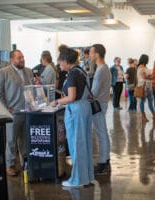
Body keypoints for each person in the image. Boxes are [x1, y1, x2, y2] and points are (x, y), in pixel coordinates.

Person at [50, 47, 94, 187]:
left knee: (76, 145)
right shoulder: (81, 71)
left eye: (60, 61)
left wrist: (56, 102)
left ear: (65, 60)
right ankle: (86, 177)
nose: (59, 64)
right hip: (84, 108)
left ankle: (77, 180)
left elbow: (71, 97)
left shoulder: (72, 74)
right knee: (84, 143)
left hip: (76, 110)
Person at [0, 50, 33, 176]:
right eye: (19, 58)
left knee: (26, 139)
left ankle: (26, 163)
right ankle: (9, 165)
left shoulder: (28, 71)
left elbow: (32, 89)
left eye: (22, 57)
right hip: (13, 113)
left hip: (28, 111)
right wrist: (5, 109)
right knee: (11, 140)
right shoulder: (3, 72)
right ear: (12, 59)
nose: (22, 59)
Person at [89, 44, 112, 175]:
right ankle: (105, 161)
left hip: (98, 105)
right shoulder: (103, 68)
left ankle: (103, 163)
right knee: (102, 133)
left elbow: (93, 92)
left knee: (101, 134)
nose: (90, 55)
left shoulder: (101, 70)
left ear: (97, 54)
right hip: (101, 104)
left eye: (91, 53)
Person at [136, 54, 155, 123]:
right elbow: (144, 77)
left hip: (148, 86)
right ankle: (143, 116)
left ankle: (154, 115)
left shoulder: (145, 67)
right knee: (142, 102)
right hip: (143, 86)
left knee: (150, 101)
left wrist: (151, 76)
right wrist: (152, 76)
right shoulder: (140, 67)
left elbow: (147, 76)